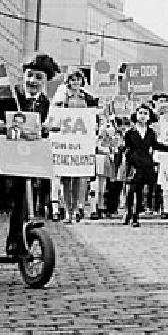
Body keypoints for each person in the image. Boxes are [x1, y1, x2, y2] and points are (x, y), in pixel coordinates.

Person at [0, 54, 60, 272]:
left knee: (23, 201)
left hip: (22, 161)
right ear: (23, 75)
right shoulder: (6, 95)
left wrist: (46, 129)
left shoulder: (43, 103)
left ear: (45, 81)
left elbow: (36, 128)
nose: (33, 81)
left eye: (38, 77)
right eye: (29, 76)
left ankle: (16, 244)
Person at [53, 66, 100, 223]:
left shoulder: (88, 98)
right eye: (72, 79)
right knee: (66, 179)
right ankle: (67, 210)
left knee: (81, 177)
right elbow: (55, 116)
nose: (75, 82)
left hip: (82, 143)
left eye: (78, 79)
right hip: (67, 143)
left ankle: (79, 206)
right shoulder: (62, 98)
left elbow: (94, 119)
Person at [122, 103, 168, 228]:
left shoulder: (150, 132)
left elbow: (155, 145)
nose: (143, 116)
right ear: (136, 115)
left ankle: (135, 216)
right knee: (131, 189)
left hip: (145, 163)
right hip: (133, 163)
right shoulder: (129, 132)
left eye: (145, 113)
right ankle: (128, 211)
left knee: (140, 192)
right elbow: (125, 148)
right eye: (140, 113)